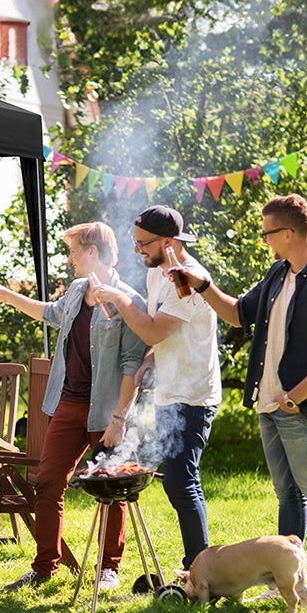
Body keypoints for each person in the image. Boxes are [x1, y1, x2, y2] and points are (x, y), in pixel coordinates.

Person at [172, 194, 307, 606]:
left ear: (289, 232)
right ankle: (286, 585)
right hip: (269, 405)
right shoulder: (279, 273)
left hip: (298, 407)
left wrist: (294, 398)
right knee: (288, 496)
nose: (264, 241)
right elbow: (237, 314)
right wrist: (202, 285)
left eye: (267, 234)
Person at [0, 222, 147, 591]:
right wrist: (5, 294)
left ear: (93, 252)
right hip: (68, 403)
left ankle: (108, 568)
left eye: (73, 251)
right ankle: (43, 567)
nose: (69, 259)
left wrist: (120, 418)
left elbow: (134, 366)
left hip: (107, 410)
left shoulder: (128, 301)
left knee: (110, 488)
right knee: (49, 483)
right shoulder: (76, 291)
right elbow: (50, 313)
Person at [90, 203, 221, 573]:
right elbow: (156, 330)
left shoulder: (187, 280)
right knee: (176, 481)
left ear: (167, 242)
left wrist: (119, 298)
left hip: (193, 393)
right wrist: (149, 360)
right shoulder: (157, 270)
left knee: (182, 480)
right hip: (169, 389)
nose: (137, 251)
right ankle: (196, 567)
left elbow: (149, 327)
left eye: (142, 243)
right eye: (134, 242)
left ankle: (199, 569)